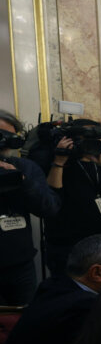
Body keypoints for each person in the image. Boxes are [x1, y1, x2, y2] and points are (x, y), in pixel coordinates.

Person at [45, 119, 101, 275]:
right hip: (67, 243)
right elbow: (52, 193)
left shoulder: (98, 165)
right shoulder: (61, 162)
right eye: (86, 137)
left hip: (99, 241)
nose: (90, 142)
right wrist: (59, 160)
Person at [0, 110, 60, 304]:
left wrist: (22, 180)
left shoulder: (24, 167)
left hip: (20, 265)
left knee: (23, 325)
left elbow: (49, 208)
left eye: (10, 136)